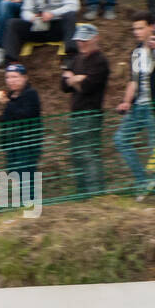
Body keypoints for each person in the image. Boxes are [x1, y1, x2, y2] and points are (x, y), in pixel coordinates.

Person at [115, 11, 155, 196]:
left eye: (141, 27)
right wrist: (126, 101)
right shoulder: (136, 52)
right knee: (120, 139)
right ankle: (143, 180)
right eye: (135, 28)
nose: (137, 31)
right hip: (138, 106)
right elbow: (134, 80)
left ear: (152, 27)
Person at [60, 22, 110, 196]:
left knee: (89, 153)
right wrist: (76, 79)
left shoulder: (100, 60)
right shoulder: (77, 59)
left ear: (95, 38)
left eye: (85, 39)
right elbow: (64, 85)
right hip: (76, 113)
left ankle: (96, 192)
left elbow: (88, 86)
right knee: (77, 154)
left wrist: (74, 79)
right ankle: (83, 193)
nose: (81, 43)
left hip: (91, 112)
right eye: (79, 39)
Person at [0, 63, 43, 198]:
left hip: (28, 143)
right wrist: (3, 140)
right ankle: (24, 203)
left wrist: (7, 104)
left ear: (24, 78)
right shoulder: (10, 96)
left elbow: (25, 115)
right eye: (8, 77)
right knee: (14, 174)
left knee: (26, 174)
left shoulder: (31, 94)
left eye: (15, 77)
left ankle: (31, 204)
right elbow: (6, 119)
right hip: (12, 144)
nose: (11, 80)